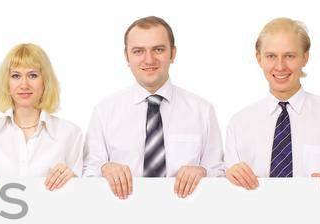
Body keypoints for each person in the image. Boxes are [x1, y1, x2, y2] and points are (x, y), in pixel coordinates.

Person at [82, 16, 222, 199]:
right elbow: (87, 172)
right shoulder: (104, 111)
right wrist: (105, 168)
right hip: (121, 214)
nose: (149, 60)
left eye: (158, 49)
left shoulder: (202, 110)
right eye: (138, 51)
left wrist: (203, 172)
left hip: (186, 214)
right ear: (127, 56)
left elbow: (219, 172)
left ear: (173, 53)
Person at [224, 18, 320, 191]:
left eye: (289, 56)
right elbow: (223, 193)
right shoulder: (239, 123)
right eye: (271, 56)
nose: (280, 66)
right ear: (259, 59)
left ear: (305, 57)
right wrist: (228, 176)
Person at [0, 43, 84, 195]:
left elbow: (82, 195)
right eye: (16, 76)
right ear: (7, 82)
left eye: (33, 75)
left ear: (45, 81)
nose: (24, 84)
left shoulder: (70, 133)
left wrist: (73, 179)